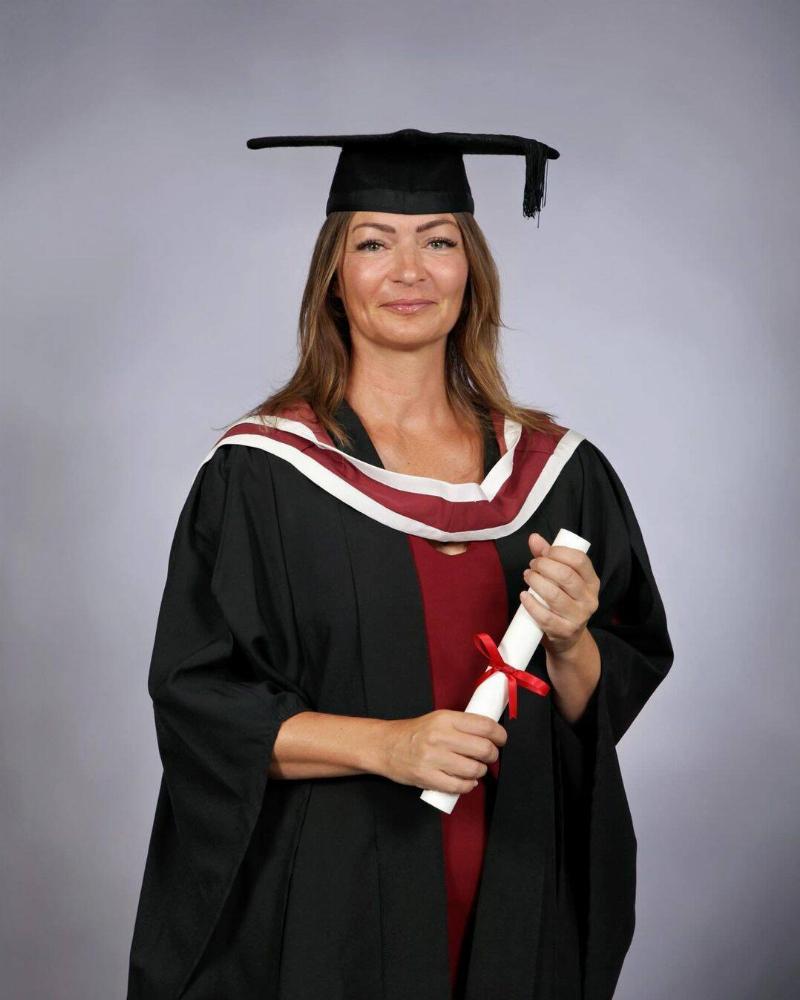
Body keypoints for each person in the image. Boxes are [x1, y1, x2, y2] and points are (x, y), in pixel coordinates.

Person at [126, 129, 674, 1000]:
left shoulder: (560, 476)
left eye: (439, 241)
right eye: (374, 243)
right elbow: (201, 705)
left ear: (472, 271)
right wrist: (393, 746)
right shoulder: (264, 477)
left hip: (520, 878)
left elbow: (605, 696)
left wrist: (571, 641)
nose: (409, 272)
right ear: (334, 278)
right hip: (327, 900)